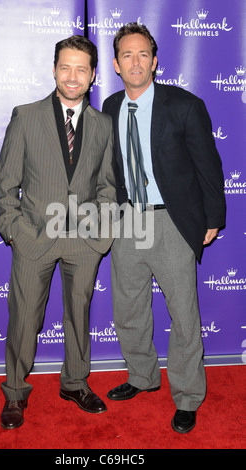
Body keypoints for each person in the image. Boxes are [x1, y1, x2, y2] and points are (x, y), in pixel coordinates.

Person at [102, 23, 226, 433]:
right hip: (128, 220)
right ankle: (141, 376)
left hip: (172, 220)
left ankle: (188, 395)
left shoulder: (185, 104)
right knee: (129, 308)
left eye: (142, 55)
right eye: (126, 55)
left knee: (184, 313)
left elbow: (209, 166)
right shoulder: (110, 106)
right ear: (116, 64)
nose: (135, 62)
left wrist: (212, 218)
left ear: (154, 61)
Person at [0, 35, 116, 429]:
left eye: (82, 68)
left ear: (93, 75)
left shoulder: (102, 125)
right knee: (25, 317)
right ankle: (15, 392)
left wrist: (101, 227)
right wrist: (14, 230)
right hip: (34, 237)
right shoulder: (26, 116)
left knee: (78, 315)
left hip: (83, 241)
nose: (72, 75)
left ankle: (75, 383)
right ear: (53, 69)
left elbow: (107, 185)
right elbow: (7, 183)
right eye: (65, 66)